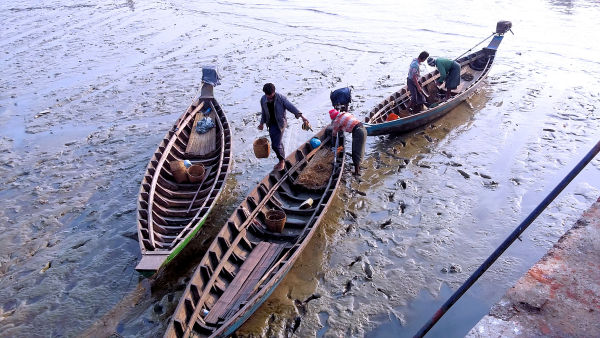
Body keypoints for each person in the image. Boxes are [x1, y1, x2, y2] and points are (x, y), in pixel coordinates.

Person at [258, 83, 310, 171]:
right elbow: (263, 112)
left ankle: (282, 161)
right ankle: (281, 157)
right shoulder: (263, 99)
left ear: (274, 92)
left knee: (275, 145)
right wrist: (261, 123)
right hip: (270, 124)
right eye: (267, 95)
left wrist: (302, 117)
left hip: (280, 124)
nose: (269, 97)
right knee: (277, 142)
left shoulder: (281, 99)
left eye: (270, 95)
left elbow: (291, 107)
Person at [328, 108, 367, 176]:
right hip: (363, 128)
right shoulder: (345, 113)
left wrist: (333, 146)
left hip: (358, 132)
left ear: (333, 118)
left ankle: (356, 172)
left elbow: (334, 134)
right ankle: (359, 165)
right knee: (361, 150)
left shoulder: (337, 120)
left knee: (355, 151)